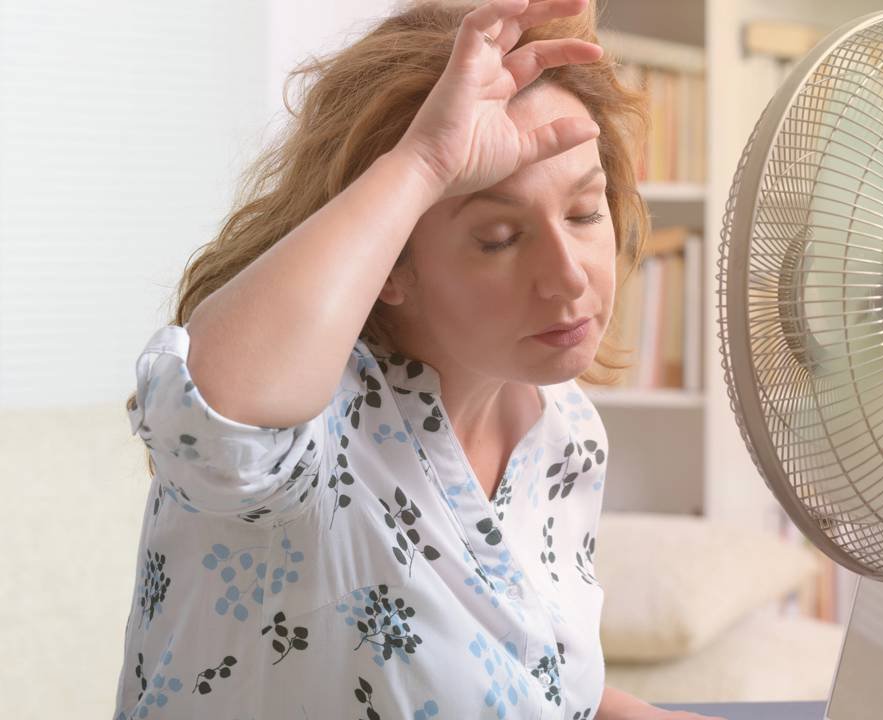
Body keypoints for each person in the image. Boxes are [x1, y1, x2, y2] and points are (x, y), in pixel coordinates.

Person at [112, 0, 722, 717]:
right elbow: (203, 411)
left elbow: (526, 682)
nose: (568, 275)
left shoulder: (567, 433)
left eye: (585, 212)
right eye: (499, 238)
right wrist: (425, 161)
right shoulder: (310, 429)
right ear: (391, 263)